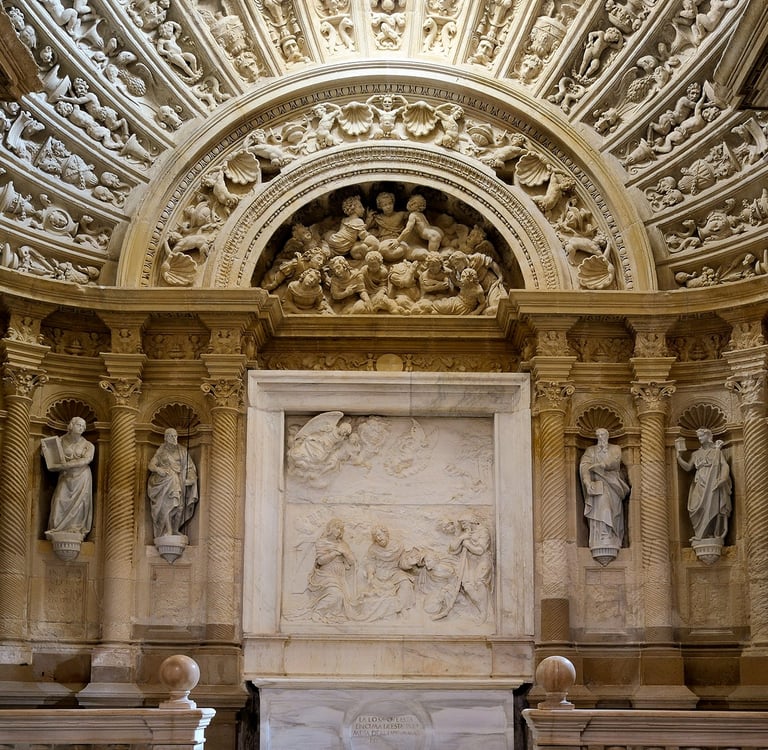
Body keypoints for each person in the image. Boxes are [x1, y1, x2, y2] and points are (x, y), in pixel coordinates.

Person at [676, 427, 732, 541]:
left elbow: (724, 465)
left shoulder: (717, 451)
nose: (700, 438)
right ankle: (700, 533)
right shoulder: (696, 454)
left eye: (702, 436)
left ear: (708, 436)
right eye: (698, 437)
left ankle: (711, 534)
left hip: (712, 482)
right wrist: (679, 457)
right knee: (694, 506)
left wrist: (723, 478)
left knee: (713, 506)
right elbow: (687, 468)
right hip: (699, 483)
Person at [580, 428, 629, 552]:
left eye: (603, 435)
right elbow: (584, 466)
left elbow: (615, 460)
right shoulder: (590, 451)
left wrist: (602, 465)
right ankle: (601, 537)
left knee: (615, 512)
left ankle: (614, 536)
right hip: (598, 486)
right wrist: (587, 481)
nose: (601, 437)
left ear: (607, 436)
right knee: (603, 507)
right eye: (598, 435)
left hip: (614, 485)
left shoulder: (615, 448)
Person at [45, 417, 95, 538]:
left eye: (83, 426)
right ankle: (57, 528)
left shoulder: (88, 445)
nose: (81, 428)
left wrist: (67, 465)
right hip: (65, 476)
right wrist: (46, 451)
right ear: (71, 425)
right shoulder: (59, 441)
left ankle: (75, 528)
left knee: (79, 503)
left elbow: (87, 459)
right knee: (59, 500)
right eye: (79, 425)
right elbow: (52, 455)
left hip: (82, 476)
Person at [147, 427, 198, 539]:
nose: (174, 438)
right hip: (164, 482)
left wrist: (190, 478)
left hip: (178, 481)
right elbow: (151, 465)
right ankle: (169, 530)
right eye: (171, 436)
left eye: (175, 436)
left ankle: (175, 529)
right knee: (167, 506)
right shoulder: (161, 451)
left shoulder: (182, 451)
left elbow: (190, 467)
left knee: (179, 507)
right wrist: (158, 470)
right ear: (166, 437)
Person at [306, 518, 358, 620]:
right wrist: (333, 553)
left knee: (345, 601)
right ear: (330, 528)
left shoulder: (343, 544)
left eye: (341, 529)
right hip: (325, 575)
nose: (339, 531)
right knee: (337, 595)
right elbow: (320, 561)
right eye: (337, 528)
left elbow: (352, 561)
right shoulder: (321, 542)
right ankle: (318, 612)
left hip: (340, 577)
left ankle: (331, 614)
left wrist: (345, 552)